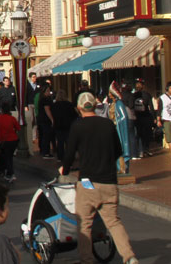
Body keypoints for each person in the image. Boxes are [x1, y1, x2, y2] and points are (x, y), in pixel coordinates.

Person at [59, 92, 139, 264]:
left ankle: (87, 259)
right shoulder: (108, 124)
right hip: (109, 181)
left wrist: (64, 169)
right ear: (95, 105)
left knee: (85, 224)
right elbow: (118, 151)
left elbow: (69, 154)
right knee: (113, 222)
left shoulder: (77, 126)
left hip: (88, 182)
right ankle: (129, 256)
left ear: (79, 108)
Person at [0, 103, 19, 182]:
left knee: (7, 157)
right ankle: (9, 173)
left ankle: (10, 173)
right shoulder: (12, 118)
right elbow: (18, 128)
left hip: (4, 141)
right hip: (14, 140)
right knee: (9, 157)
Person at [108, 82, 131, 174]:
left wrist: (116, 122)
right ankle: (118, 168)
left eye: (110, 93)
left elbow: (123, 117)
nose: (109, 95)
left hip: (119, 129)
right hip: (114, 129)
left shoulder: (119, 104)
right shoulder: (114, 104)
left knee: (121, 148)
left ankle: (123, 169)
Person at [130, 80, 155, 157]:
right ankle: (146, 149)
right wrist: (153, 117)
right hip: (146, 116)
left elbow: (131, 106)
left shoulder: (133, 95)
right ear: (143, 86)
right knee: (146, 134)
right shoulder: (147, 95)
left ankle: (140, 151)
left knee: (138, 134)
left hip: (137, 117)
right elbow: (151, 107)